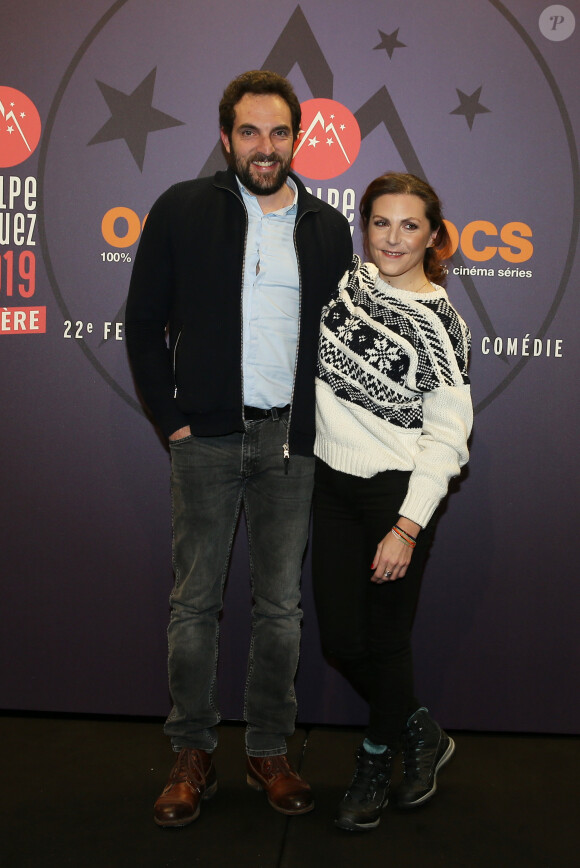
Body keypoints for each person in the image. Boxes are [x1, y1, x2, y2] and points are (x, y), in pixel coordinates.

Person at [125, 70, 353, 827]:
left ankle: (266, 750)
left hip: (292, 443)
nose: (264, 147)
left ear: (297, 139)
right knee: (194, 604)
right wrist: (174, 419)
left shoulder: (326, 227)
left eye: (279, 132)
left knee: (280, 609)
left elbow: (337, 341)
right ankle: (192, 753)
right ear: (226, 138)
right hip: (207, 439)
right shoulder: (183, 208)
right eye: (249, 132)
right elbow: (143, 322)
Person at [312, 172, 472, 832]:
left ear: (434, 236)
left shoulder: (441, 325)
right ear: (364, 225)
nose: (394, 238)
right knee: (341, 640)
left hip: (395, 498)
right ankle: (421, 731)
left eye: (410, 226)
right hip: (330, 487)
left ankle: (378, 756)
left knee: (384, 642)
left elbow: (448, 437)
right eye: (381, 222)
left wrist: (406, 527)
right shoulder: (344, 282)